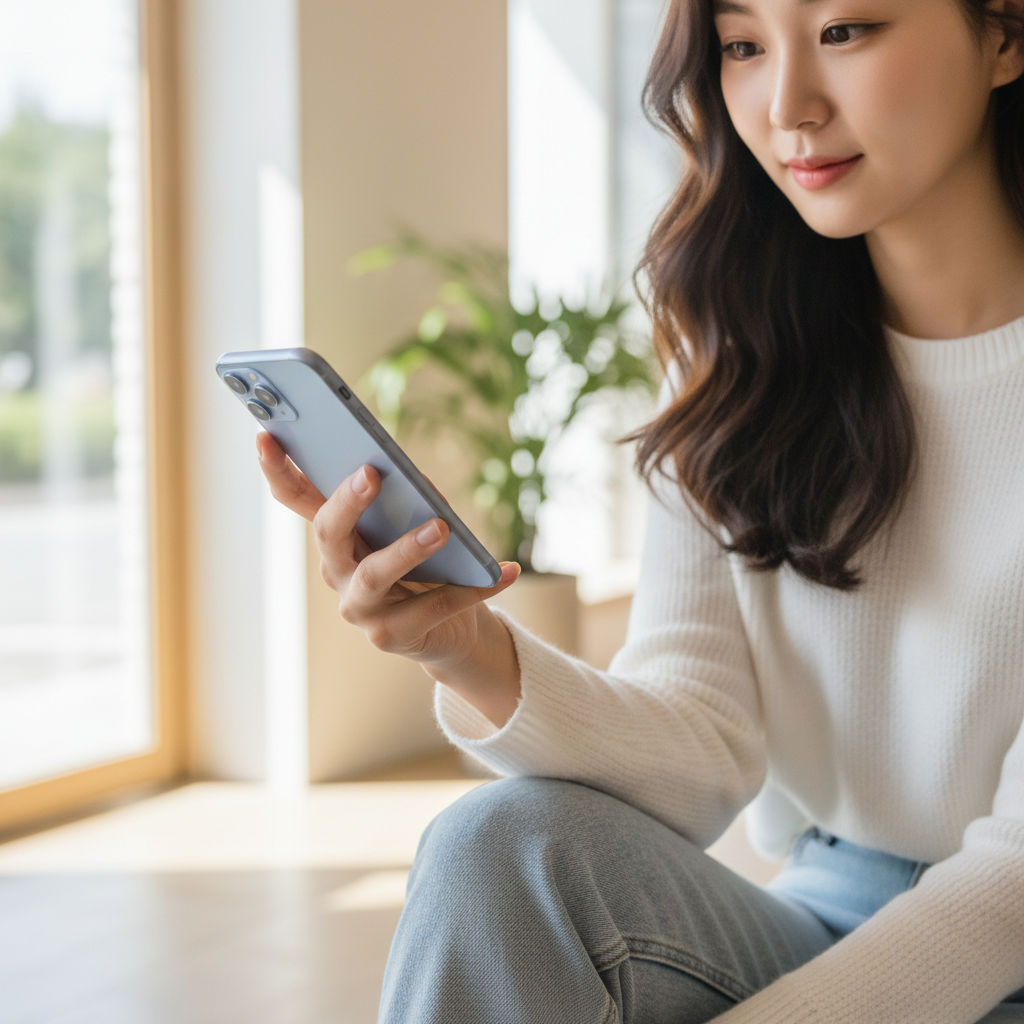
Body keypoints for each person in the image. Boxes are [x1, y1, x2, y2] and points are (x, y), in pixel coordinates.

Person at [256, 0, 1024, 1017]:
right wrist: (465, 646)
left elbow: (1013, 887)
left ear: (1005, 34)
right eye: (743, 47)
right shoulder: (742, 355)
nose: (786, 104)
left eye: (845, 31)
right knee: (494, 851)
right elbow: (702, 737)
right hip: (827, 902)